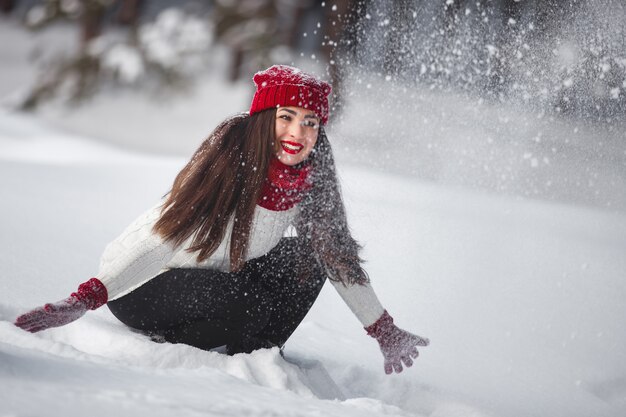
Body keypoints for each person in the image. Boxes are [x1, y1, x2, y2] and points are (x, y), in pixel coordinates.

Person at [14, 65, 429, 374]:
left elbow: (336, 257)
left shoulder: (308, 179)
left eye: (310, 122)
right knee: (248, 300)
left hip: (218, 278)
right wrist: (86, 298)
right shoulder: (232, 165)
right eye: (286, 116)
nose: (298, 132)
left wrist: (382, 328)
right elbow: (160, 242)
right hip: (142, 284)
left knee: (309, 256)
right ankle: (194, 354)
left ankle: (258, 359)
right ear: (266, 119)